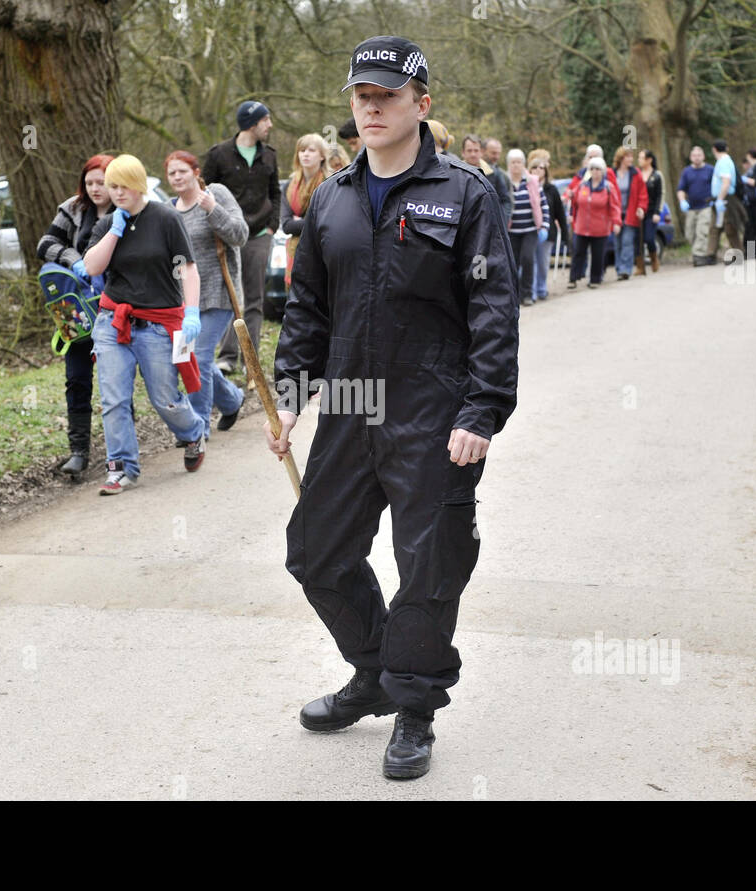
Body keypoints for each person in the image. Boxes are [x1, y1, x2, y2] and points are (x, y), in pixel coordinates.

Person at [267, 36, 518, 781]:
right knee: (315, 553)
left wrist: (482, 409)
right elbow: (307, 307)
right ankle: (374, 670)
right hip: (348, 406)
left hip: (433, 413)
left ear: (422, 105)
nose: (370, 108)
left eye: (386, 96)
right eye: (360, 96)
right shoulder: (332, 200)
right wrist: (290, 398)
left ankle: (414, 708)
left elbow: (494, 308)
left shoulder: (465, 194)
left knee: (428, 565)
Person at [83, 154, 208, 493]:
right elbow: (92, 267)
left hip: (157, 323)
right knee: (114, 399)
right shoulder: (108, 223)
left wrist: (192, 312)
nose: (118, 192)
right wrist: (114, 232)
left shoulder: (165, 219)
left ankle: (193, 432)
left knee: (164, 398)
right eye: (113, 187)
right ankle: (121, 468)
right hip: (114, 322)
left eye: (124, 186)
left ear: (138, 184)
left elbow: (188, 268)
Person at [37, 153, 115, 477]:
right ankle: (79, 451)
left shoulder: (127, 210)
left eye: (102, 182)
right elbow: (46, 244)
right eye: (90, 182)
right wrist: (74, 260)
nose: (95, 188)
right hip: (77, 314)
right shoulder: (72, 209)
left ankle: (119, 450)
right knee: (76, 380)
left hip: (115, 309)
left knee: (114, 381)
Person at [165, 150, 249, 435]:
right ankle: (231, 399)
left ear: (196, 173)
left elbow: (240, 234)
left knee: (199, 357)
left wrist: (213, 209)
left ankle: (197, 427)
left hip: (219, 293)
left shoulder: (216, 194)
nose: (177, 177)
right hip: (184, 302)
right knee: (189, 358)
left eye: (182, 171)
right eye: (172, 173)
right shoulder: (168, 210)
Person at [202, 100, 280, 377]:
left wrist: (272, 226)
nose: (270, 125)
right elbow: (204, 190)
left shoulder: (269, 155)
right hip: (228, 237)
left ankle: (252, 360)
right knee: (231, 297)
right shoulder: (219, 155)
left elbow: (275, 193)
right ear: (252, 123)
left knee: (255, 299)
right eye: (266, 120)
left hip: (259, 235)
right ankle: (228, 357)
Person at [281, 133, 330, 286]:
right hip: (295, 252)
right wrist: (309, 220)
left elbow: (326, 223)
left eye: (311, 150)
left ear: (322, 156)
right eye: (302, 151)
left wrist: (300, 221)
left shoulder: (330, 184)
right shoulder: (288, 186)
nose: (305, 154)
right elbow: (287, 225)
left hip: (323, 251)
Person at [566, 156, 621, 289]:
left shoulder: (608, 188)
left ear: (602, 171)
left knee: (598, 254)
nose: (595, 172)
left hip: (600, 228)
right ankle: (573, 279)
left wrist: (616, 222)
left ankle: (595, 279)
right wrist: (570, 203)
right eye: (592, 169)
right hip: (581, 226)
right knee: (578, 252)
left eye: (598, 169)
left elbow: (615, 206)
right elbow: (574, 202)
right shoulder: (582, 185)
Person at [506, 148, 546, 305]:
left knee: (527, 259)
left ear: (524, 164)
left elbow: (543, 204)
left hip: (530, 230)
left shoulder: (532, 181)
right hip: (511, 231)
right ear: (508, 165)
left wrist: (544, 226)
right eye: (513, 162)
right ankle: (514, 294)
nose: (516, 165)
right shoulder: (504, 181)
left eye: (519, 162)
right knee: (512, 263)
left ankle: (528, 294)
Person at [528, 151, 568, 300]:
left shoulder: (552, 189)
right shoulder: (526, 187)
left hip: (547, 233)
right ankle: (530, 291)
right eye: (535, 167)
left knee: (543, 263)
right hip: (530, 231)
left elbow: (560, 214)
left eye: (541, 168)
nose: (538, 170)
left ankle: (541, 288)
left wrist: (564, 235)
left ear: (546, 171)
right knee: (530, 262)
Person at [706, 139, 746, 262]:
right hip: (721, 199)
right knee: (715, 228)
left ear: (714, 149)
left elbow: (726, 182)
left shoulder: (723, 162)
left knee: (730, 227)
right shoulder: (724, 161)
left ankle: (738, 254)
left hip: (725, 200)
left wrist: (720, 199)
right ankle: (710, 254)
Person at [612, 146, 648, 280]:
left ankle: (625, 270)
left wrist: (641, 207)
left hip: (630, 213)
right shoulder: (612, 173)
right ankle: (618, 267)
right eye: (628, 156)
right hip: (615, 214)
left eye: (632, 156)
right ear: (621, 158)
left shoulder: (635, 173)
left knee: (627, 242)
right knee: (617, 243)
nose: (631, 159)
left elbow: (642, 193)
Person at [676, 146, 715, 265]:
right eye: (694, 155)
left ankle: (699, 257)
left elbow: (716, 185)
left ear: (703, 156)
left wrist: (716, 199)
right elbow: (681, 189)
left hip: (706, 206)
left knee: (702, 231)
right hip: (691, 207)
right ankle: (703, 253)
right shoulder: (687, 171)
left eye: (699, 155)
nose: (697, 158)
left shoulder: (710, 170)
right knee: (690, 233)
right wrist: (682, 201)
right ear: (691, 157)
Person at [636, 148, 662, 273]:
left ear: (649, 160)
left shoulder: (657, 175)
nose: (639, 160)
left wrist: (657, 212)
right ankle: (640, 266)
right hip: (639, 211)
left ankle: (654, 258)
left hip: (652, 211)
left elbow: (660, 195)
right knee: (638, 239)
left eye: (641, 158)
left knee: (649, 238)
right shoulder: (637, 174)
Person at [482, 137, 514, 226]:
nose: (496, 157)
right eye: (493, 153)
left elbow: (508, 200)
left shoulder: (503, 175)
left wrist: (505, 220)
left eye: (498, 153)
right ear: (483, 151)